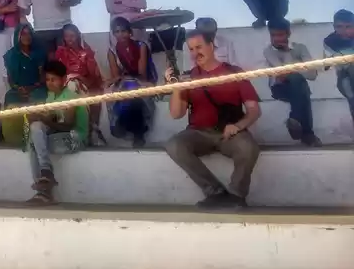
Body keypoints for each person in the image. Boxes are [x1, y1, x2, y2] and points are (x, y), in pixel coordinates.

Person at [164, 30, 261, 210]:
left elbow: (254, 110)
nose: (195, 53)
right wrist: (176, 87)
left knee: (249, 147)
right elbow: (176, 114)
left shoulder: (233, 72)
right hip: (198, 132)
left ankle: (236, 196)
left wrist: (238, 126)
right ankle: (215, 192)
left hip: (230, 133)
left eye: (199, 47)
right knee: (174, 145)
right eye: (191, 49)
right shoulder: (188, 77)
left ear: (211, 45)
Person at [25, 59, 88, 205]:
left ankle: (43, 190)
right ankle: (46, 177)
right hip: (59, 136)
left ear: (64, 80)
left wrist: (43, 119)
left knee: (35, 143)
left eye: (54, 79)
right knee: (35, 129)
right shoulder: (51, 96)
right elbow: (51, 121)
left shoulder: (70, 97)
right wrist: (35, 118)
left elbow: (67, 126)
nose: (50, 83)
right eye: (47, 79)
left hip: (75, 138)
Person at [263, 18, 320, 147]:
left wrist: (288, 54)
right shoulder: (269, 51)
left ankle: (295, 120)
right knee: (299, 82)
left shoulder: (300, 48)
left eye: (280, 35)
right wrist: (297, 63)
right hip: (279, 88)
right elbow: (283, 74)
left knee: (301, 86)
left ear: (288, 33)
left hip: (298, 86)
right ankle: (307, 134)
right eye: (273, 35)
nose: (276, 39)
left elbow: (312, 75)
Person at [106, 16, 155, 147]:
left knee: (133, 92)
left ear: (130, 32)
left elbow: (142, 74)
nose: (120, 35)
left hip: (141, 81)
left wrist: (128, 78)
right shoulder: (112, 52)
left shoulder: (141, 46)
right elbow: (116, 76)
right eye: (117, 31)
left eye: (123, 31)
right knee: (122, 93)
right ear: (113, 34)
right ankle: (135, 131)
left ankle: (133, 130)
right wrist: (122, 79)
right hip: (123, 83)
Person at [54, 23, 105, 145]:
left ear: (78, 36)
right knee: (70, 87)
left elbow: (93, 78)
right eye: (66, 36)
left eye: (72, 35)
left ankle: (84, 133)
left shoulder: (86, 53)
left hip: (84, 86)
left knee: (74, 86)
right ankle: (81, 132)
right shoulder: (60, 53)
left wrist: (77, 77)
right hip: (65, 87)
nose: (70, 39)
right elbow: (56, 75)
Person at [2, 24, 46, 149]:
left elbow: (42, 77)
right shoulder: (10, 56)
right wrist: (18, 88)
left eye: (29, 33)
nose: (27, 37)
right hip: (18, 89)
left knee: (40, 97)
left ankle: (36, 135)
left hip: (36, 88)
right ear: (18, 36)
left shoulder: (39, 53)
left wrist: (31, 88)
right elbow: (10, 78)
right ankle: (17, 137)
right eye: (23, 34)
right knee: (9, 97)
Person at [323, 8, 354, 130]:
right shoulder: (330, 41)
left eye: (348, 26)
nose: (344, 31)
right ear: (334, 26)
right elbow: (326, 65)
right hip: (345, 77)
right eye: (339, 27)